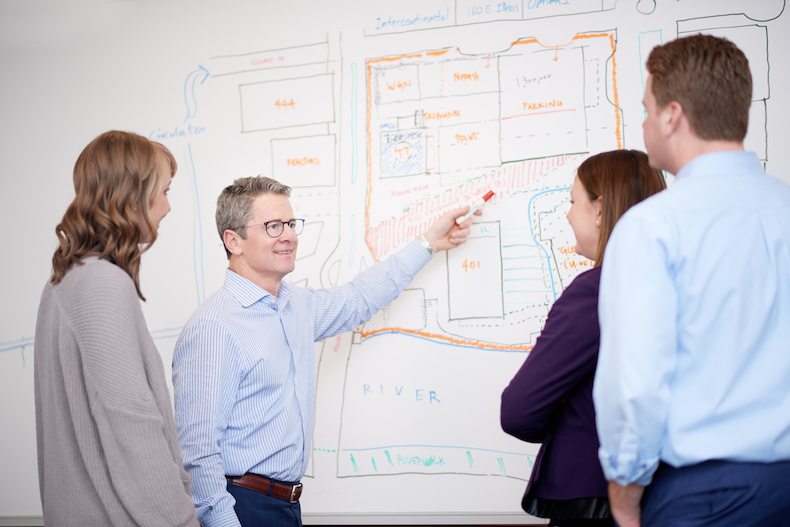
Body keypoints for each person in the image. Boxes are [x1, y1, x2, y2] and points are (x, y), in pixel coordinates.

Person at [172, 176, 478, 527]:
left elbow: (359, 298)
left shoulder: (294, 306)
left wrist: (428, 243)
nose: (289, 235)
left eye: (290, 224)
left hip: (285, 505)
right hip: (242, 508)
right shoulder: (215, 327)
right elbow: (198, 453)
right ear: (233, 240)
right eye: (273, 226)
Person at [593, 34, 790, 527]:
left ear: (671, 115)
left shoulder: (650, 228)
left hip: (704, 498)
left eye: (645, 108)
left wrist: (623, 495)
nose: (642, 122)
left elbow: (635, 386)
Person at [34, 131, 199, 526]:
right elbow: (132, 426)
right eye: (164, 190)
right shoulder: (101, 284)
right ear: (133, 195)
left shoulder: (64, 279)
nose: (167, 206)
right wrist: (181, 521)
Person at [500, 150, 665, 527]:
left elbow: (519, 411)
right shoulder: (677, 283)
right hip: (669, 495)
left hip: (596, 500)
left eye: (573, 201)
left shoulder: (597, 290)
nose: (568, 214)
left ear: (600, 208)